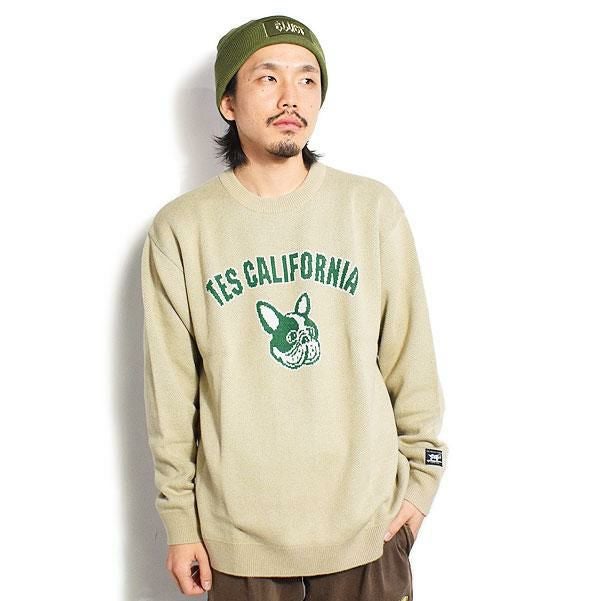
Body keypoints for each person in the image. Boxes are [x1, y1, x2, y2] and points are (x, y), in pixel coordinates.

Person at [141, 14, 448, 600]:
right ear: (228, 102)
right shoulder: (182, 229)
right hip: (237, 537)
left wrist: (422, 480)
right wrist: (179, 521)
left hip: (367, 530)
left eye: (308, 79)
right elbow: (171, 392)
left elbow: (411, 359)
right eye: (268, 78)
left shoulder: (371, 210)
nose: (291, 97)